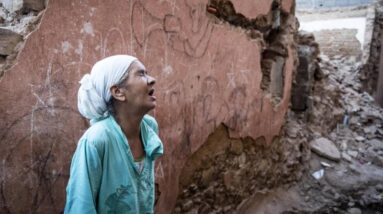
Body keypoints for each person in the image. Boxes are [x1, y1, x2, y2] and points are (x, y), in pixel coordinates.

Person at [64, 55, 163, 214]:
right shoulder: (96, 140)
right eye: (141, 74)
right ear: (118, 92)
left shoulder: (148, 128)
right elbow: (80, 207)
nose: (152, 80)